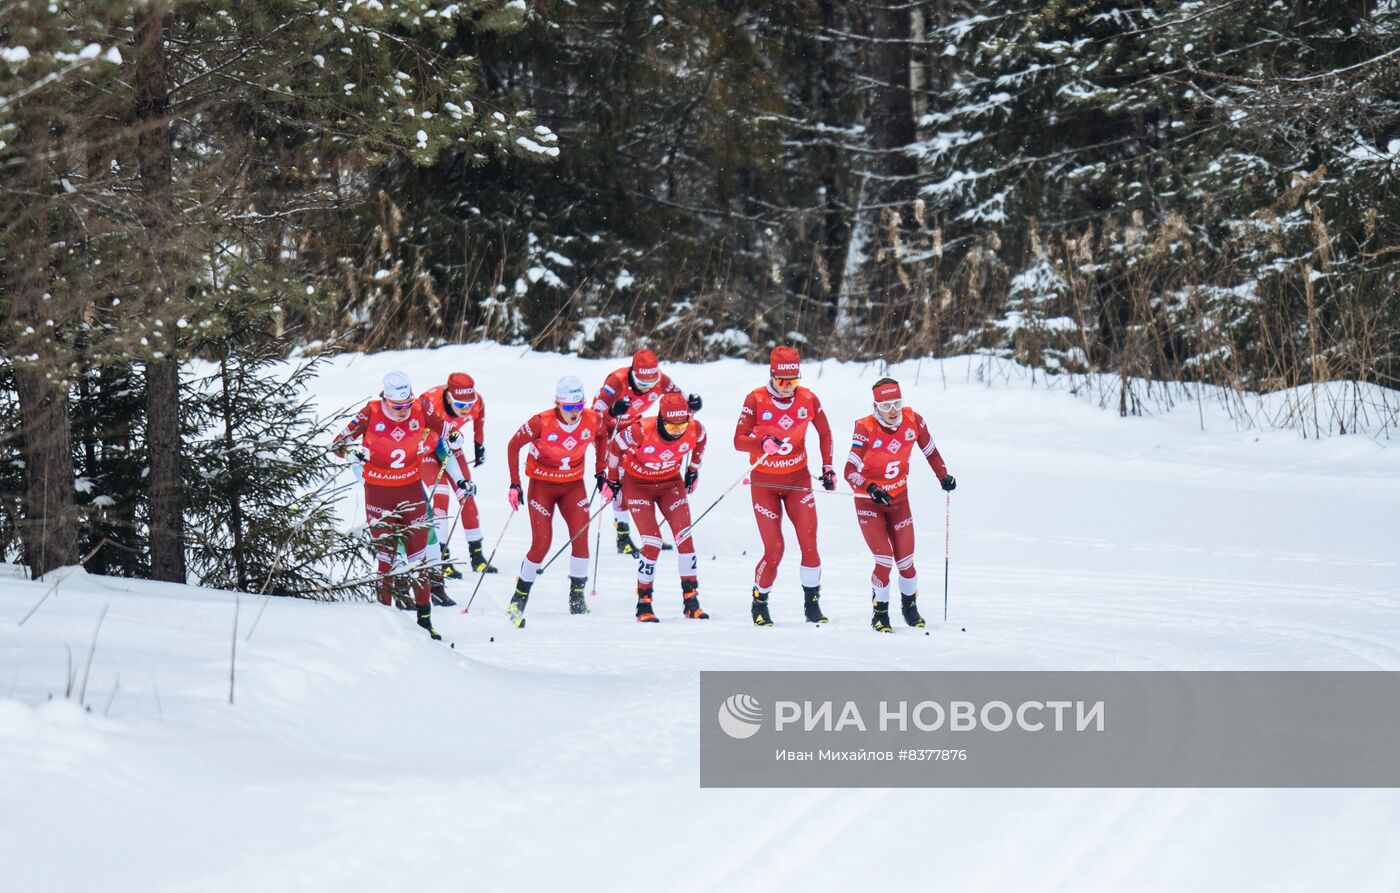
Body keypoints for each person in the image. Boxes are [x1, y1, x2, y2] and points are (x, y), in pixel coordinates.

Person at [331, 371, 471, 640]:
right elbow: (338, 444)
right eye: (396, 407)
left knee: (419, 560)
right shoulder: (370, 412)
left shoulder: (420, 408)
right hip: (379, 493)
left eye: (406, 404)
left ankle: (425, 621)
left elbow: (444, 430)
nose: (402, 411)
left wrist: (454, 437)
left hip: (411, 491)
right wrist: (351, 452)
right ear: (385, 399)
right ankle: (386, 621)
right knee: (387, 559)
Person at [844, 377, 957, 632]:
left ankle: (909, 607)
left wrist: (943, 476)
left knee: (906, 562)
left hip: (899, 500)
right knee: (884, 560)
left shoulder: (913, 420)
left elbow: (931, 452)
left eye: (897, 403)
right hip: (870, 502)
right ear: (875, 407)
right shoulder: (865, 428)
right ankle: (880, 613)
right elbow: (849, 470)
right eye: (886, 406)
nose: (893, 411)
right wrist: (871, 488)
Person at [732, 346, 834, 626]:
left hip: (798, 481)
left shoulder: (808, 398)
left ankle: (812, 604)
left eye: (794, 381)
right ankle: (760, 601)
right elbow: (738, 440)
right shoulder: (756, 399)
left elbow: (824, 433)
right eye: (782, 382)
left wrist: (827, 467)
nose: (788, 388)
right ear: (772, 376)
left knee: (809, 543)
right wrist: (760, 442)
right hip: (764, 483)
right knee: (775, 548)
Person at [504, 375, 607, 628]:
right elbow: (513, 445)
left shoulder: (592, 419)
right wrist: (515, 483)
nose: (575, 413)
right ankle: (518, 598)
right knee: (541, 544)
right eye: (569, 407)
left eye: (579, 406)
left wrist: (601, 470)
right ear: (558, 403)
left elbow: (603, 436)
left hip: (573, 486)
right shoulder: (541, 422)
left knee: (580, 539)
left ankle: (576, 598)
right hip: (542, 486)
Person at [603, 391, 709, 622]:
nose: (678, 432)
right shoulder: (640, 430)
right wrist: (612, 479)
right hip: (638, 484)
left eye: (682, 426)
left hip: (671, 485)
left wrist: (693, 470)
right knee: (652, 543)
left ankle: (691, 601)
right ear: (661, 419)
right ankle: (644, 603)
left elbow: (701, 439)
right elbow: (614, 448)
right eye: (672, 428)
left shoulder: (693, 428)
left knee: (685, 538)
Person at [592, 348, 701, 557]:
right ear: (633, 374)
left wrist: (693, 404)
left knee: (633, 475)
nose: (646, 389)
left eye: (651, 385)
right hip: (607, 429)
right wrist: (613, 410)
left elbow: (680, 404)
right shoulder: (616, 381)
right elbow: (594, 414)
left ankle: (644, 534)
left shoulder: (661, 381)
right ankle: (622, 536)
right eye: (642, 384)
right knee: (620, 477)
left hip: (633, 428)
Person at [418, 372, 495, 580]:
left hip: (452, 445)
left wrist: (479, 444)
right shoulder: (430, 401)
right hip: (428, 448)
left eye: (469, 403)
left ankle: (477, 555)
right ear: (449, 397)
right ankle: (442, 557)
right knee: (441, 495)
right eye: (461, 404)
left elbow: (480, 414)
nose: (466, 409)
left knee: (467, 493)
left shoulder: (475, 402)